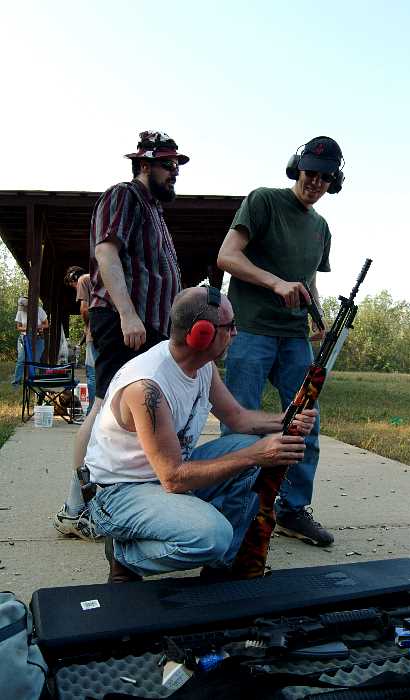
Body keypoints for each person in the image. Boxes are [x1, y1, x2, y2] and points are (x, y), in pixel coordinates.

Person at [85, 286, 316, 583]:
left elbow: (238, 418)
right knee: (212, 536)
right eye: (230, 326)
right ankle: (125, 555)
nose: (235, 333)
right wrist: (254, 455)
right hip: (120, 493)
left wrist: (286, 420)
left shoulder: (203, 367)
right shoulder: (146, 386)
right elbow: (173, 477)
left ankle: (222, 566)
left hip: (162, 477)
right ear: (201, 334)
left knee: (251, 448)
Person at [54, 130, 189, 540]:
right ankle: (75, 507)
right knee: (103, 409)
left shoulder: (153, 210)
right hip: (123, 321)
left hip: (148, 326)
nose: (174, 172)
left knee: (131, 416)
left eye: (176, 165)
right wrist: (128, 314)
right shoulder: (124, 196)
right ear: (144, 164)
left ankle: (123, 500)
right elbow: (106, 252)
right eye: (167, 164)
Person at [217, 136, 345, 547]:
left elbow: (308, 280)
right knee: (240, 421)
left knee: (306, 422)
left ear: (334, 182)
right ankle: (234, 507)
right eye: (310, 173)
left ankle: (292, 509)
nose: (316, 183)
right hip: (250, 330)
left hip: (294, 337)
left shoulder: (321, 228)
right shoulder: (264, 201)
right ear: (296, 168)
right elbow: (227, 256)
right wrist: (274, 283)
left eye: (325, 177)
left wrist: (318, 319)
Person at [63, 266, 97, 413]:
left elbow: (84, 309)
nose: (75, 288)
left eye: (73, 285)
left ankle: (92, 412)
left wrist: (87, 325)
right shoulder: (98, 280)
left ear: (74, 278)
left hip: (95, 336)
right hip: (107, 333)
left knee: (92, 374)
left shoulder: (83, 279)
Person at [12, 296, 49, 385]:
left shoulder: (39, 310)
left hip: (38, 338)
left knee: (35, 360)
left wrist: (36, 327)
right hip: (24, 338)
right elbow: (18, 327)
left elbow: (46, 324)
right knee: (21, 359)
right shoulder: (20, 312)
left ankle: (32, 381)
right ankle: (16, 382)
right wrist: (28, 328)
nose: (23, 309)